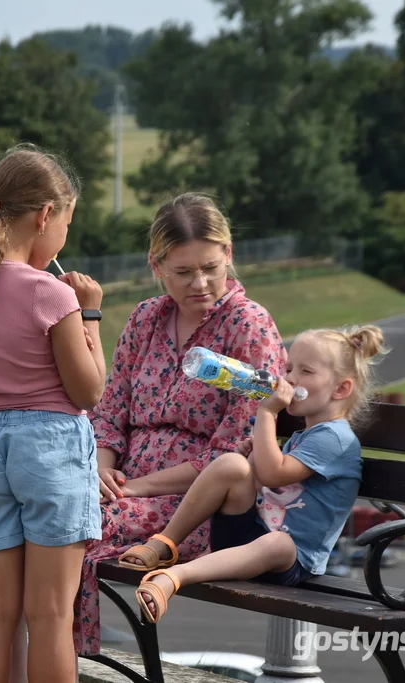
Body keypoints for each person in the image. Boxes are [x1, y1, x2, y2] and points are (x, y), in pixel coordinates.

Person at [73, 193, 287, 656]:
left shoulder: (249, 326)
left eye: (211, 267)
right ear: (157, 265)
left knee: (74, 526)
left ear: (229, 255)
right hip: (122, 486)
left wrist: (130, 488)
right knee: (44, 514)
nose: (201, 282)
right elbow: (111, 411)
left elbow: (232, 450)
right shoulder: (147, 318)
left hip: (197, 507)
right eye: (184, 271)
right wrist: (102, 469)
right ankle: (45, 654)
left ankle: (71, 658)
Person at [0, 145, 107, 683]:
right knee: (51, 616)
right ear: (45, 216)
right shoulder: (49, 293)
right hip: (50, 445)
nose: (63, 241)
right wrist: (91, 314)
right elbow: (88, 391)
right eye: (67, 225)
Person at [131, 325, 386, 622]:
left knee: (279, 543)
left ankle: (173, 577)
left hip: (287, 562)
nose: (290, 379)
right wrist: (249, 459)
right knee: (231, 465)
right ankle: (163, 544)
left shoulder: (336, 439)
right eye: (289, 368)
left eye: (306, 371)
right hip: (250, 537)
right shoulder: (305, 435)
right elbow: (263, 483)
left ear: (341, 389)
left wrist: (266, 414)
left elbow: (272, 475)